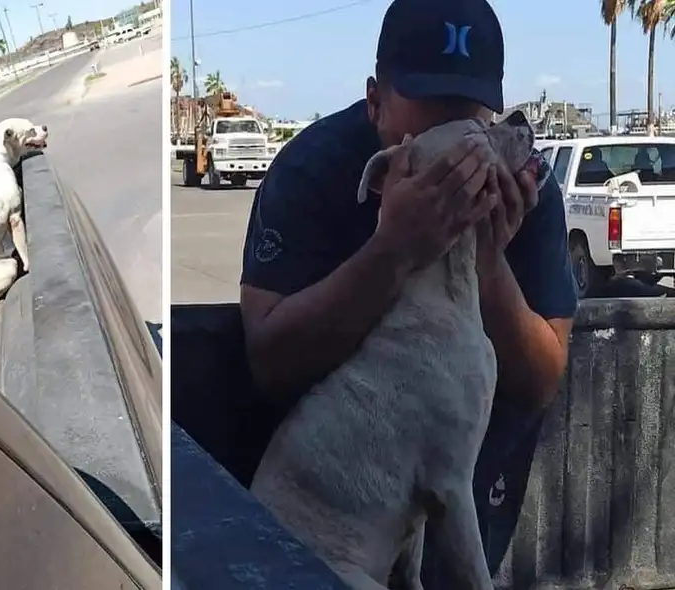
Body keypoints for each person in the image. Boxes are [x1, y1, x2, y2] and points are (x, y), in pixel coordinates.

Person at [238, 0, 577, 585]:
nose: (469, 153)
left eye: (472, 117)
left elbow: (541, 379)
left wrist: (487, 260)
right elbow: (268, 358)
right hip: (328, 515)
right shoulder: (312, 169)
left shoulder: (524, 182)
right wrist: (393, 251)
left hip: (470, 487)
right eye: (432, 111)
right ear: (376, 101)